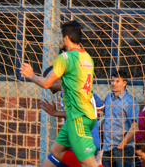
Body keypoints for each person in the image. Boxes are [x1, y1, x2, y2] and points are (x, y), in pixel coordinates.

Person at [20, 20, 98, 167]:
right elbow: (72, 83)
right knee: (56, 151)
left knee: (90, 163)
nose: (60, 40)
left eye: (60, 36)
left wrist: (31, 75)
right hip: (77, 116)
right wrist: (56, 111)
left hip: (78, 118)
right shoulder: (87, 58)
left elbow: (46, 83)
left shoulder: (65, 57)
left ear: (66, 38)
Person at [39, 65, 104, 166]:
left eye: (47, 81)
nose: (46, 86)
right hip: (74, 141)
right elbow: (100, 105)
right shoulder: (74, 90)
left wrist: (55, 113)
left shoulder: (71, 91)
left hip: (83, 140)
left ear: (55, 80)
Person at [100, 69, 139, 167]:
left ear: (124, 83)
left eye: (117, 81)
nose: (114, 83)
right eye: (112, 80)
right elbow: (106, 118)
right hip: (107, 148)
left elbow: (134, 127)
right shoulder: (108, 97)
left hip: (123, 149)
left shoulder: (130, 101)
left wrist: (122, 144)